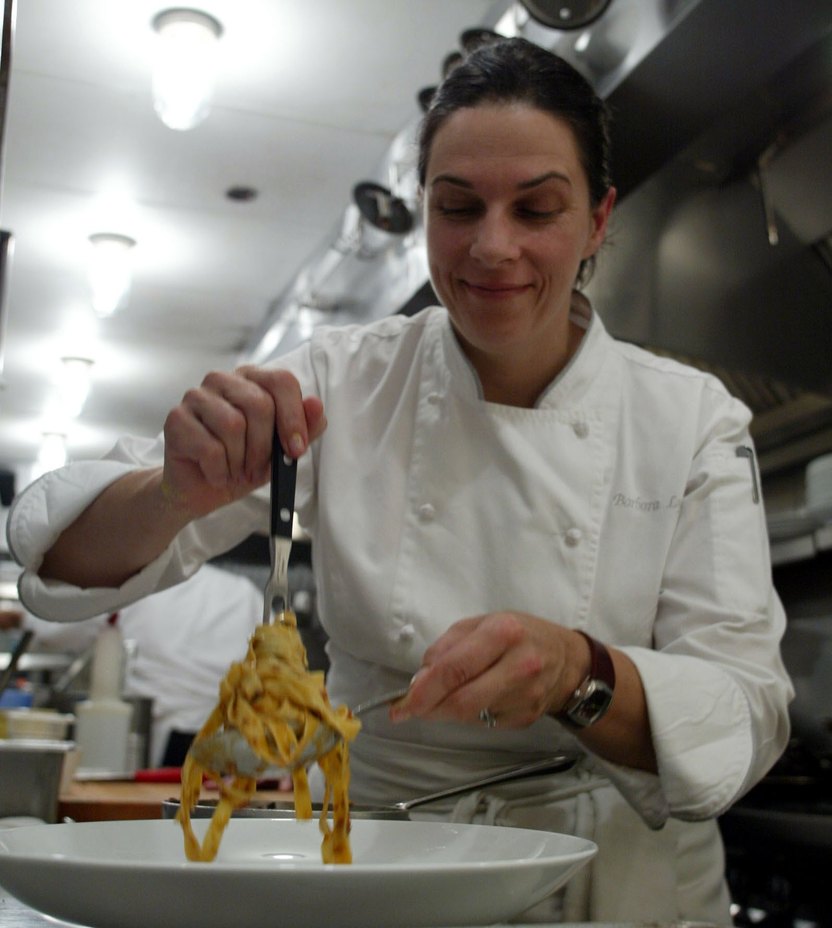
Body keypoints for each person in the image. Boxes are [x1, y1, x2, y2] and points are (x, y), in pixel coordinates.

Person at [6, 38, 792, 924]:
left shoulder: (691, 419)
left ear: (599, 220)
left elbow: (744, 711)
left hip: (620, 886)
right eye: (459, 207)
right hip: (384, 863)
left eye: (537, 209)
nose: (493, 247)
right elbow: (61, 562)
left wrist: (579, 673)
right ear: (426, 212)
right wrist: (173, 495)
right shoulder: (344, 380)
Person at [6, 563, 264, 767]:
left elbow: (56, 625)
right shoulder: (244, 591)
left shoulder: (140, 582)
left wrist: (17, 617)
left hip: (159, 746)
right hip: (231, 745)